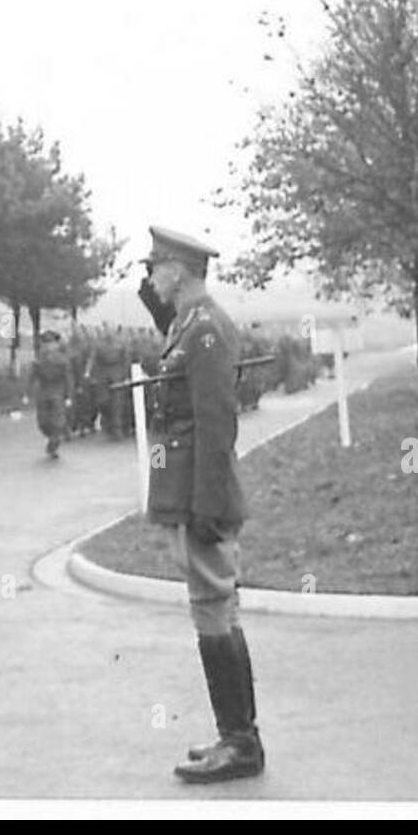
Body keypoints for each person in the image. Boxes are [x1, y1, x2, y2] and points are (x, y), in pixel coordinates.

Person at [140, 226, 263, 784]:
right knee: (212, 607)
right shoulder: (190, 323)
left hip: (201, 489)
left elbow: (218, 424)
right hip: (186, 485)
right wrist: (152, 300)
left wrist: (211, 503)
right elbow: (172, 340)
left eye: (155, 268)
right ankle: (235, 737)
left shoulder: (208, 328)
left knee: (213, 606)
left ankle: (240, 744)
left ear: (179, 272)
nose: (149, 276)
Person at [26, 331, 73, 460]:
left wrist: (68, 396)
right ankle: (51, 436)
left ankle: (54, 444)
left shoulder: (62, 360)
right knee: (43, 422)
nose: (48, 347)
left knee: (58, 422)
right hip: (42, 392)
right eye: (45, 344)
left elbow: (68, 378)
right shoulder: (38, 360)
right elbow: (31, 377)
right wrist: (26, 393)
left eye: (51, 344)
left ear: (56, 345)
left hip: (57, 392)